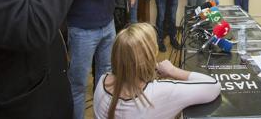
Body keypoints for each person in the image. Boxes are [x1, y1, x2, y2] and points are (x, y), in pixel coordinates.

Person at [93, 23, 221, 119]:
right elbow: (213, 86)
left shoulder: (102, 82)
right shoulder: (158, 92)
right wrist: (172, 71)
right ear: (151, 55)